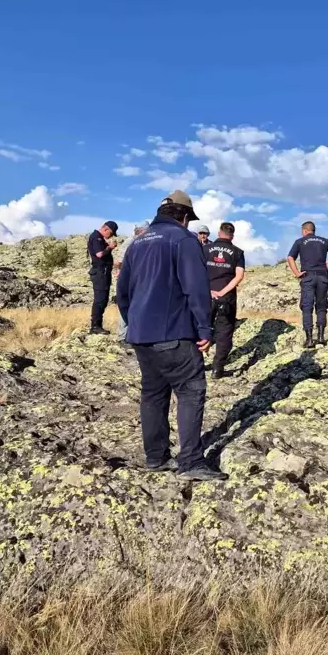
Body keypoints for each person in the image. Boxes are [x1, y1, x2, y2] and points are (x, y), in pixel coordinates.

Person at [117, 190, 227, 482]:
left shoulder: (137, 243)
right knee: (191, 390)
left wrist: (135, 323)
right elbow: (196, 287)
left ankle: (156, 458)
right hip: (174, 333)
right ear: (184, 216)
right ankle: (190, 461)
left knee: (153, 394)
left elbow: (122, 293)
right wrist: (205, 328)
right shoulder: (183, 240)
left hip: (141, 336)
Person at [287, 221, 328, 347]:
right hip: (323, 277)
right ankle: (321, 337)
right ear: (313, 230)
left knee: (307, 307)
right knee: (321, 307)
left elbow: (290, 257)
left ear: (304, 231)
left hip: (308, 277)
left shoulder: (300, 242)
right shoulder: (325, 241)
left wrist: (297, 273)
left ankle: (309, 340)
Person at [202, 222, 246, 379]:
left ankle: (196, 366)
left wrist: (208, 290)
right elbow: (239, 276)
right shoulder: (238, 252)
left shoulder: (205, 249)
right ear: (232, 235)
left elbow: (196, 271)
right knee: (224, 333)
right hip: (226, 298)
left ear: (219, 233)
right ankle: (217, 369)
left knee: (199, 328)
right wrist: (223, 292)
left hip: (205, 295)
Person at [113, 221, 149, 342]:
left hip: (136, 279)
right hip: (128, 280)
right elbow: (118, 262)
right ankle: (122, 337)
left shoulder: (141, 242)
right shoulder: (130, 242)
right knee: (127, 306)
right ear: (141, 231)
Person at [87, 220, 119, 335]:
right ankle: (95, 326)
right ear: (106, 229)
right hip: (100, 273)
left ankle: (97, 325)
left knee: (103, 299)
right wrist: (110, 247)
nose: (110, 236)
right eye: (110, 233)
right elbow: (99, 254)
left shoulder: (98, 237)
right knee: (100, 299)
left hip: (103, 272)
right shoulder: (96, 237)